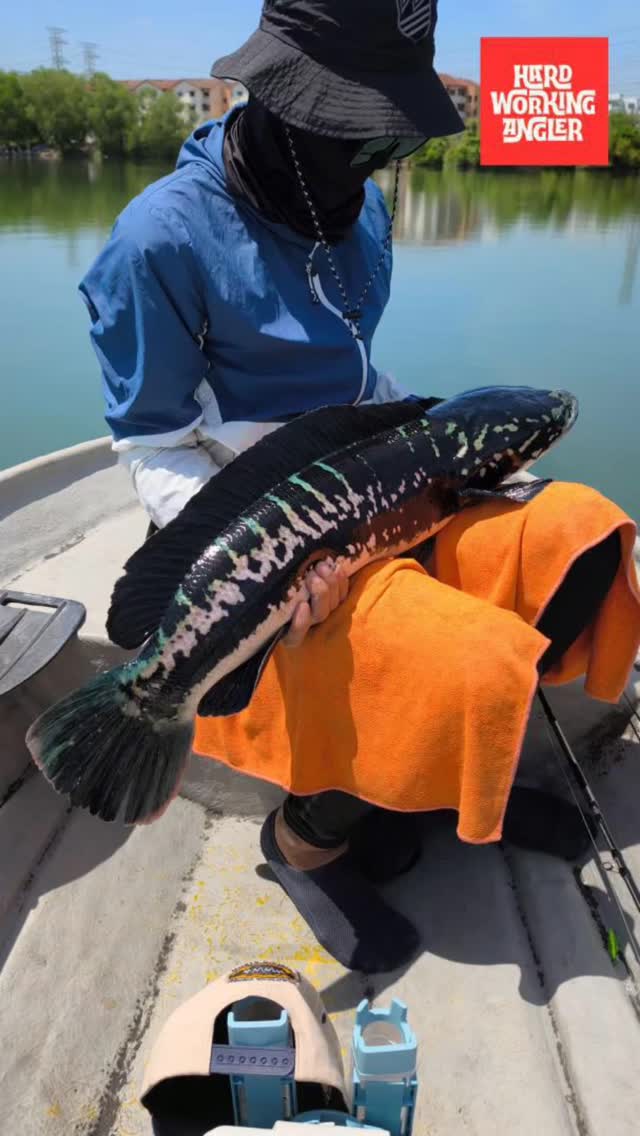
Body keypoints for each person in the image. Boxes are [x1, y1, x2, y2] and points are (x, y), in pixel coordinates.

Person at [79, 0, 640, 974]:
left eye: (385, 134)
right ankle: (305, 840)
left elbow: (355, 378)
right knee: (465, 661)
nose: (371, 162)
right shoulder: (157, 243)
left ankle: (454, 774)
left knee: (586, 535)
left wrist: (442, 460)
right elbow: (154, 446)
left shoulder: (364, 212)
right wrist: (273, 565)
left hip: (376, 484)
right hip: (262, 528)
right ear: (276, 96)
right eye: (349, 132)